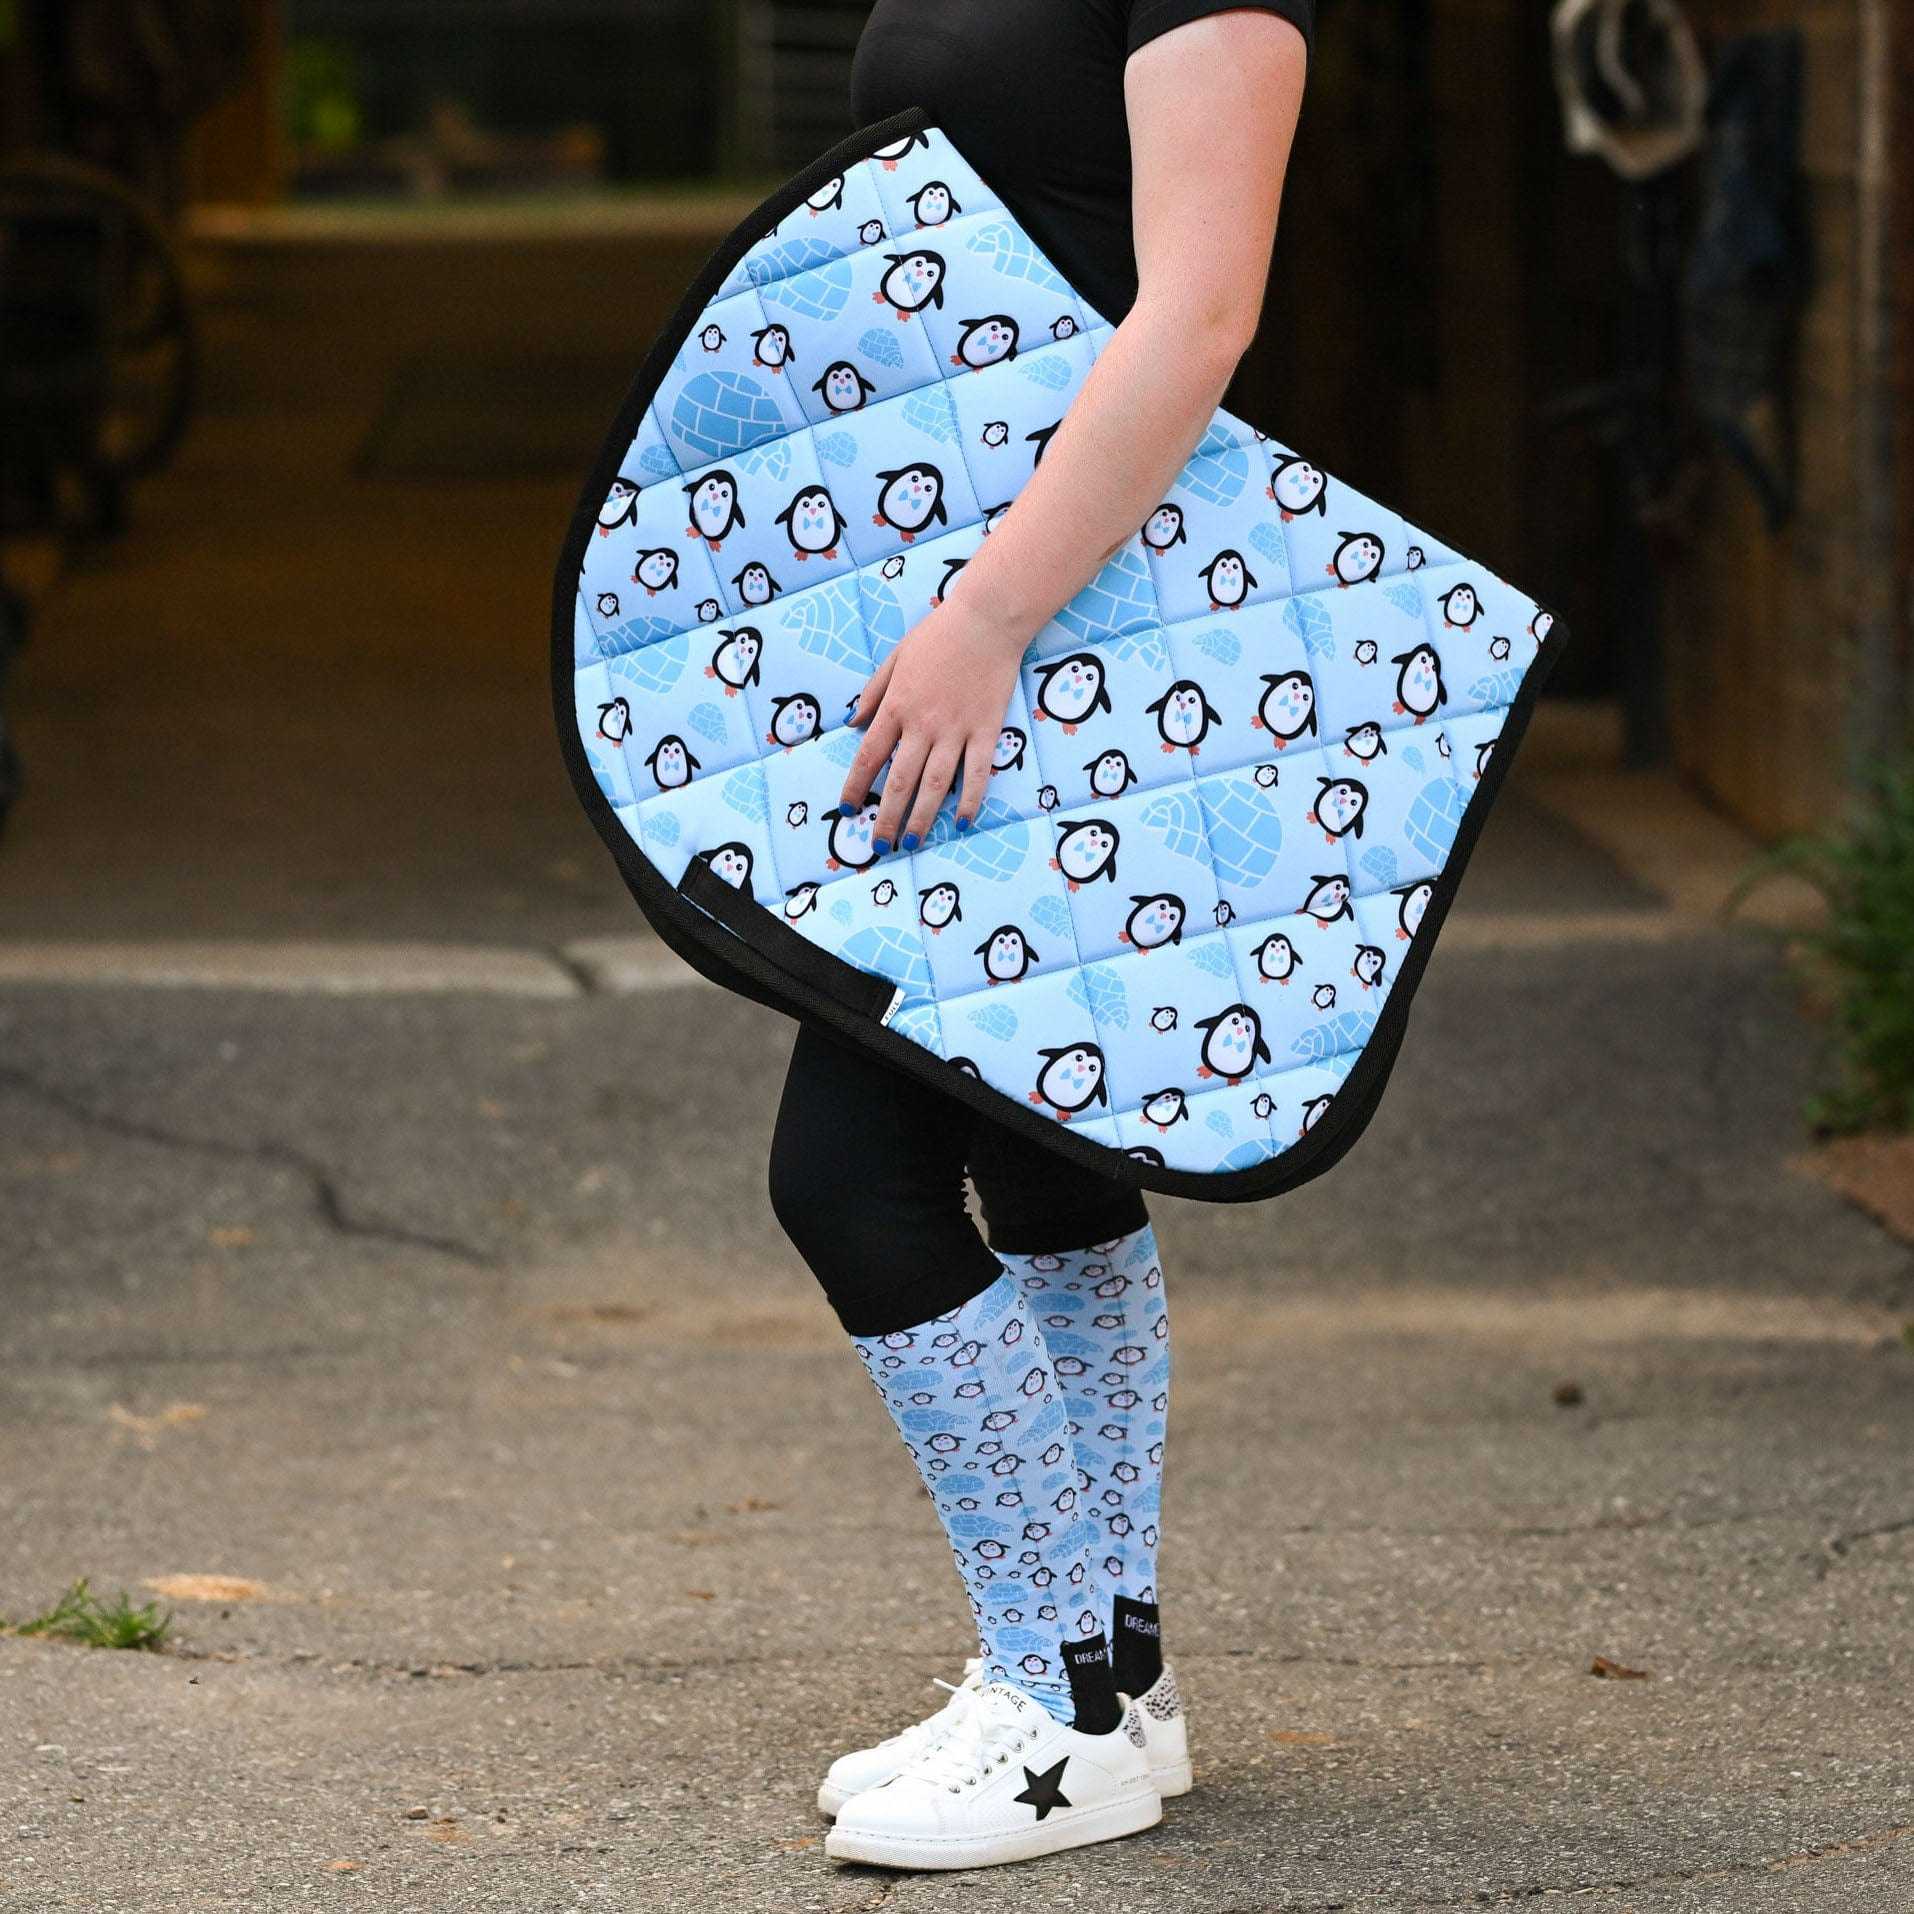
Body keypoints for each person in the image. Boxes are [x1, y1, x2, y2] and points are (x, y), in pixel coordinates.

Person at [767, 0, 1312, 1871]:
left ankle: (1053, 1699)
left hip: (1070, 636)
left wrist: (992, 613)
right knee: (1039, 1152)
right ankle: (1114, 1684)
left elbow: (1199, 310)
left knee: (847, 1175)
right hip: (994, 631)